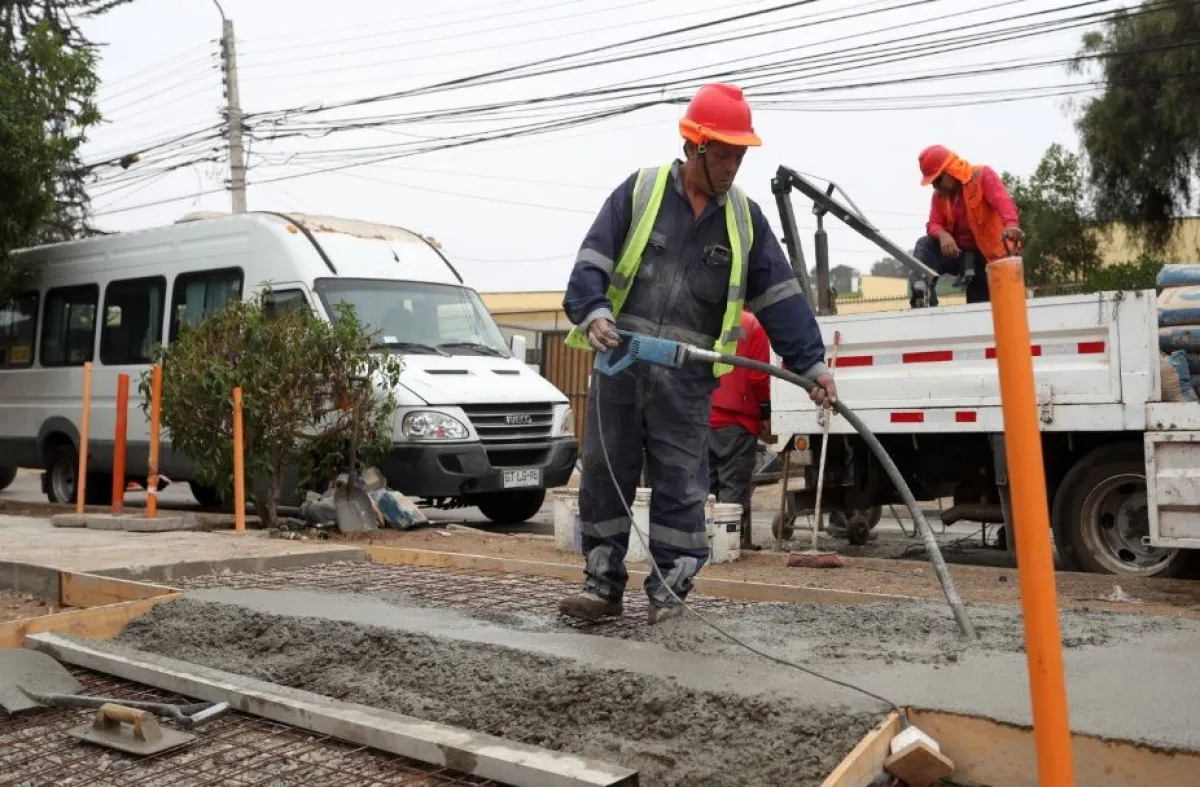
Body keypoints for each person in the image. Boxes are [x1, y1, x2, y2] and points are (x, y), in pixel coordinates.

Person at [558, 83, 834, 625]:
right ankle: (602, 585)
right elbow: (591, 261)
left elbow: (781, 298)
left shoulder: (745, 221)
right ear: (695, 146)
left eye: (740, 155)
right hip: (621, 369)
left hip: (686, 384)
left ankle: (671, 594)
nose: (733, 165)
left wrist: (812, 365)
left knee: (682, 488)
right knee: (604, 475)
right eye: (724, 153)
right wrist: (593, 312)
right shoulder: (639, 193)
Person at [909, 145, 1024, 308]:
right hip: (961, 257)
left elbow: (1003, 201)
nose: (935, 187)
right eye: (932, 183)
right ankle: (923, 296)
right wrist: (942, 235)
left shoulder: (982, 175)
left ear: (950, 170)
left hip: (989, 260)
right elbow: (934, 223)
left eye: (936, 180)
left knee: (983, 312)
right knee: (925, 245)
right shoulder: (939, 196)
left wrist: (1011, 225)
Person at [708, 309, 770, 553]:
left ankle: (702, 543)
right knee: (733, 486)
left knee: (705, 486)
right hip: (737, 420)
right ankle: (730, 545)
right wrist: (765, 411)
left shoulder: (708, 317)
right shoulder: (751, 324)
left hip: (704, 415)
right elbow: (758, 376)